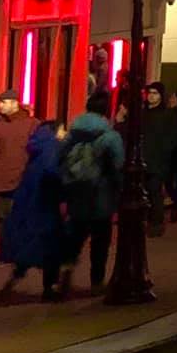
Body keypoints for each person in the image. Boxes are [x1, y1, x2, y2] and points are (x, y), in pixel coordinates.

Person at [59, 93, 124, 289]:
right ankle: (96, 281)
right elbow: (118, 164)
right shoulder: (110, 136)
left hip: (77, 192)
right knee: (100, 242)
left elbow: (60, 158)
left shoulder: (73, 132)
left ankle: (66, 269)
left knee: (75, 236)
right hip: (101, 194)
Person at [1, 123, 68, 299]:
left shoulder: (37, 146)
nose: (65, 133)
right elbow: (53, 174)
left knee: (30, 242)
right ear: (55, 132)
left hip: (28, 203)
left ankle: (17, 275)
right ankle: (50, 288)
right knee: (51, 247)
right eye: (62, 129)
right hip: (47, 204)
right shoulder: (54, 148)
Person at [0, 93, 35, 244]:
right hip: (2, 180)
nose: (0, 106)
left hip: (23, 180)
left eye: (3, 102)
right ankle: (6, 250)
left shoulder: (32, 124)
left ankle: (20, 249)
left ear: (14, 103)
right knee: (3, 217)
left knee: (21, 216)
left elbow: (38, 151)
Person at [141, 82, 177, 234]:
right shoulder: (143, 113)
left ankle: (156, 223)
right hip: (143, 158)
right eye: (149, 93)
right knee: (145, 191)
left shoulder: (167, 114)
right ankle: (148, 220)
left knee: (155, 191)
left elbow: (172, 137)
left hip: (158, 160)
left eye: (155, 93)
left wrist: (164, 152)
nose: (151, 96)